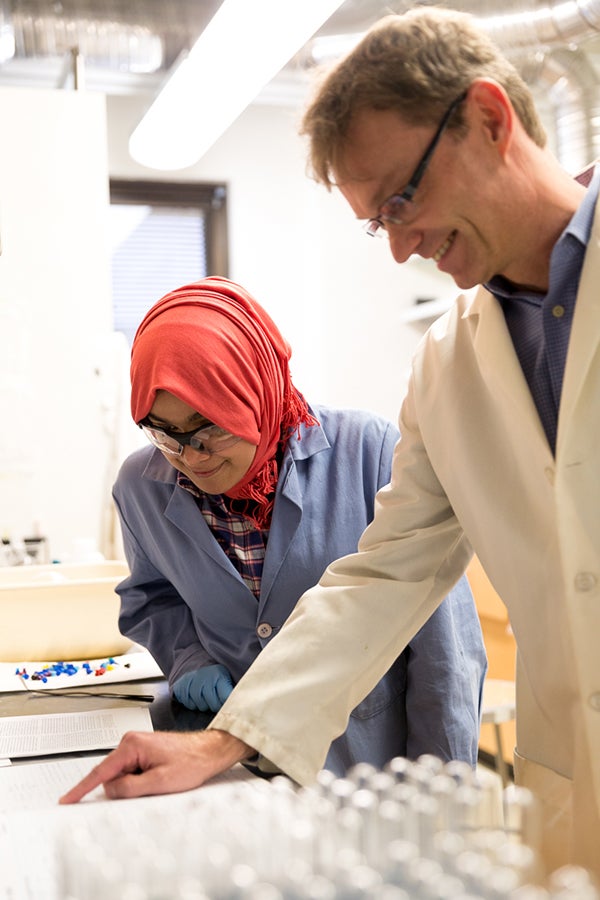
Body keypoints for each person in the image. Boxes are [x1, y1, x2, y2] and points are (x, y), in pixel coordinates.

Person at [61, 5, 599, 877]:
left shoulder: (366, 434)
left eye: (400, 199)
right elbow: (383, 580)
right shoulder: (451, 367)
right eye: (373, 222)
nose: (398, 250)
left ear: (492, 120)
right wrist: (225, 739)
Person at [96, 274, 485, 775]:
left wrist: (441, 795)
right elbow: (152, 597)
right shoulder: (141, 487)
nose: (192, 456)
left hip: (368, 770)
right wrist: (188, 656)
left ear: (255, 392)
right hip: (232, 768)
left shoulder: (369, 453)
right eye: (165, 433)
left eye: (209, 426)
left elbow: (444, 653)